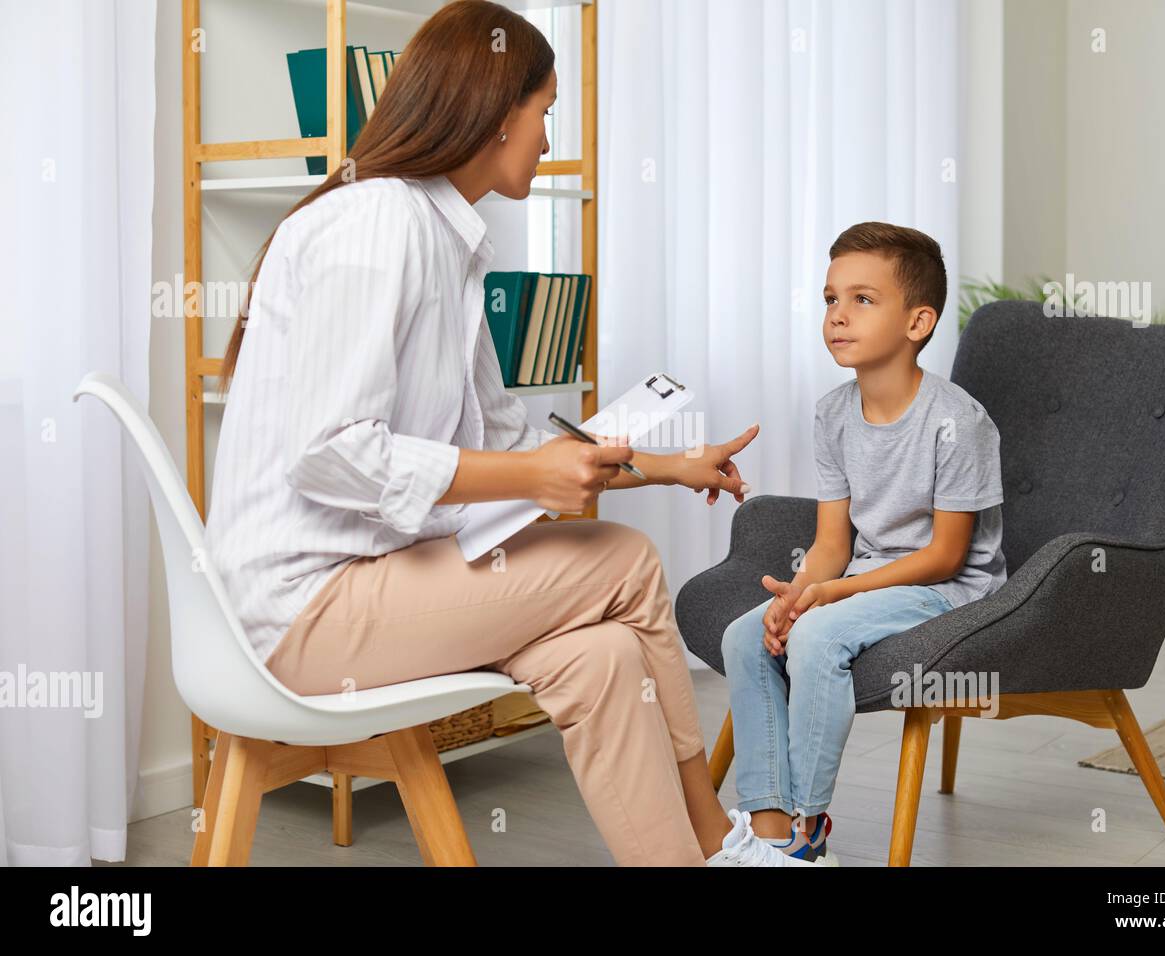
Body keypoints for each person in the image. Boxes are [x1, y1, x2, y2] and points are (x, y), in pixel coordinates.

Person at [204, 0, 766, 866]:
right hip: (302, 614)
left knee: (604, 652)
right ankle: (720, 836)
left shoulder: (446, 243)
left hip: (373, 586)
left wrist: (665, 464)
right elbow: (328, 451)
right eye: (545, 111)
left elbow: (515, 457)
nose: (547, 136)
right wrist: (529, 480)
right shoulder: (377, 223)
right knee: (625, 560)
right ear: (497, 111)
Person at [718, 222, 1007, 865]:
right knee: (748, 634)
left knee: (819, 636)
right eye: (830, 299)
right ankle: (767, 833)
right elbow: (830, 542)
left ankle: (807, 824)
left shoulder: (958, 422)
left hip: (946, 591)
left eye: (863, 300)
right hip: (869, 576)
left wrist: (828, 599)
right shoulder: (831, 413)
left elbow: (945, 557)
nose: (837, 316)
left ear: (918, 322)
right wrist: (796, 596)